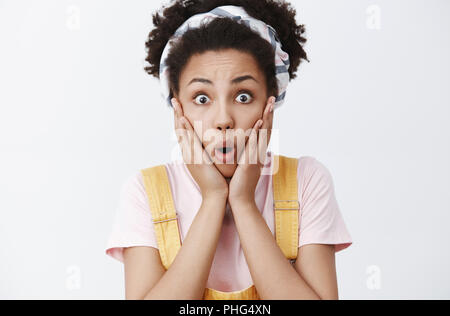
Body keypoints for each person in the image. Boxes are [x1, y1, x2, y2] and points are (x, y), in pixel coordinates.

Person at [105, 0, 352, 300]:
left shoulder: (306, 182)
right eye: (201, 98)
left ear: (269, 103)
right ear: (177, 107)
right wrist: (213, 199)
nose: (223, 120)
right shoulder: (145, 191)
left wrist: (244, 203)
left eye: (244, 96)